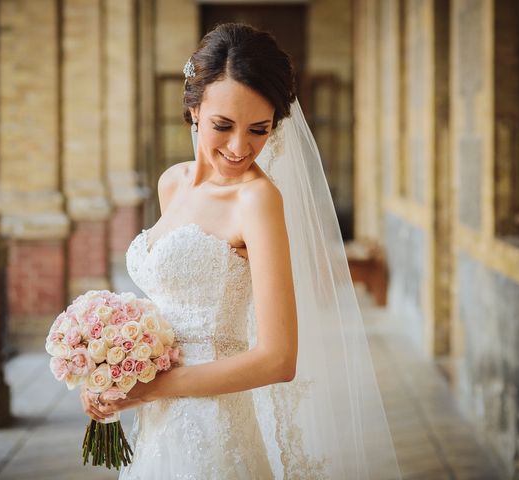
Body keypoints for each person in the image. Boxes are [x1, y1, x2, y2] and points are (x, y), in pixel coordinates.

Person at [80, 22, 401, 479]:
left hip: (214, 429)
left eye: (259, 129)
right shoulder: (171, 183)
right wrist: (109, 371)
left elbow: (278, 359)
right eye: (223, 126)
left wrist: (150, 388)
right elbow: (170, 304)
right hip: (156, 423)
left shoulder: (258, 200)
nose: (239, 147)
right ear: (193, 110)